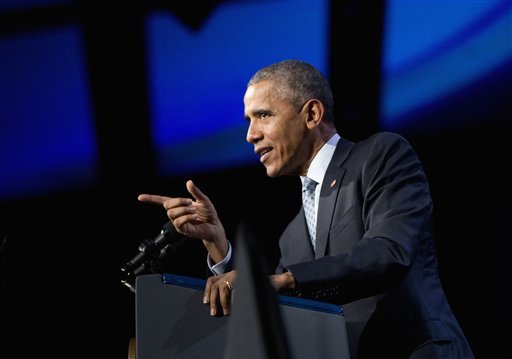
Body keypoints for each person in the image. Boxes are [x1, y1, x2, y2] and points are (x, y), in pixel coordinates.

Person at [137, 59, 474, 358]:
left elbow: (389, 253)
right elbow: (277, 311)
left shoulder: (380, 157)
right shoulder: (293, 235)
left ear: (312, 114)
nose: (250, 135)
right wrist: (217, 244)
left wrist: (286, 279)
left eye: (263, 115)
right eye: (248, 121)